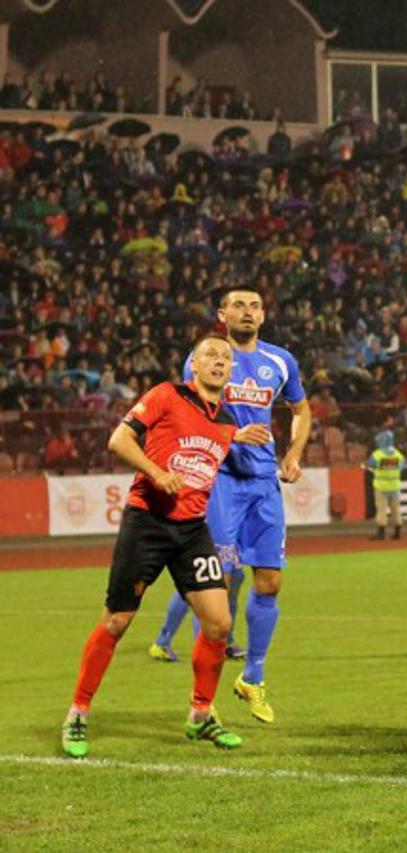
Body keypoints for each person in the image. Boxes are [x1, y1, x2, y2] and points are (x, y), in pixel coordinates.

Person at [60, 335, 251, 757]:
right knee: (117, 621)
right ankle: (78, 713)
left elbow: (206, 468)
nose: (219, 361)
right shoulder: (167, 394)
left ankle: (200, 715)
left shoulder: (227, 421)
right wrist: (156, 472)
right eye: (210, 355)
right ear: (193, 365)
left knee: (218, 623)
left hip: (192, 531)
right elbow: (119, 440)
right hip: (147, 521)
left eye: (226, 357)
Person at [148, 286, 311, 727]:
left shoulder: (280, 361)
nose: (248, 312)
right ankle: (205, 696)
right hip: (219, 480)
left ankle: (253, 677)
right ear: (222, 314)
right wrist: (231, 436)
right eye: (238, 305)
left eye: (255, 305)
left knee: (270, 581)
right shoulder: (207, 358)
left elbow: (302, 410)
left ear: (264, 315)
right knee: (214, 585)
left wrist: (294, 452)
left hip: (264, 482)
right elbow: (189, 413)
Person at [365, 429, 405, 540]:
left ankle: (381, 533)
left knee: (381, 510)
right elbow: (403, 466)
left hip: (381, 486)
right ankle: (398, 532)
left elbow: (369, 465)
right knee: (396, 510)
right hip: (395, 486)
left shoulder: (377, 455)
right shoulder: (398, 454)